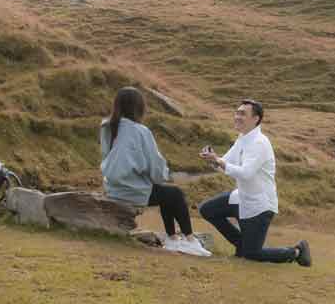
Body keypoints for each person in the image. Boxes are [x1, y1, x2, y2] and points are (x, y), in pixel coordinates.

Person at [198, 99, 311, 267]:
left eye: (242, 114)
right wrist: (213, 160)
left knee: (252, 254)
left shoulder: (259, 142)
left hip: (260, 206)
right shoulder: (243, 138)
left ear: (256, 119)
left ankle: (297, 252)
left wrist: (219, 162)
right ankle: (241, 244)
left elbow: (246, 173)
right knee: (207, 209)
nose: (237, 116)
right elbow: (226, 164)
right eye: (236, 112)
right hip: (242, 198)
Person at [100, 86, 208, 255]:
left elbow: (108, 156)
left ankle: (172, 239)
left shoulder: (107, 127)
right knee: (175, 194)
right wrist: (163, 176)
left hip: (112, 188)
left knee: (167, 196)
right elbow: (155, 166)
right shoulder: (141, 131)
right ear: (139, 107)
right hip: (132, 190)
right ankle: (190, 240)